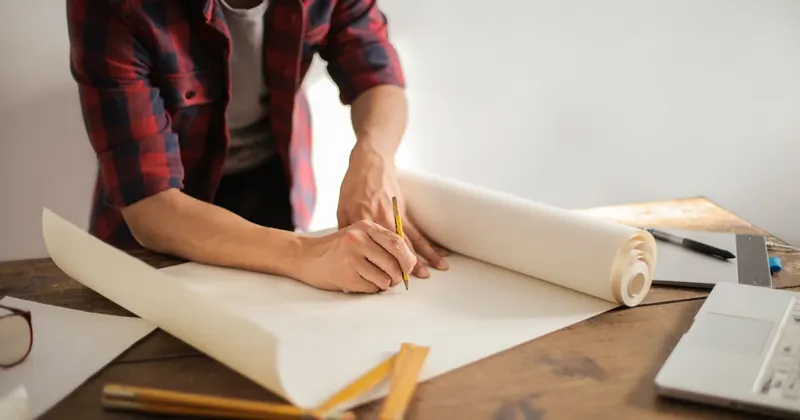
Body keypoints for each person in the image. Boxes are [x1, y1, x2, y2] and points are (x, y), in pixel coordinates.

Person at [65, 0, 449, 294]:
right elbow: (151, 208)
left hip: (273, 185)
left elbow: (377, 73)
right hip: (161, 227)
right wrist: (307, 254)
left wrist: (373, 156)